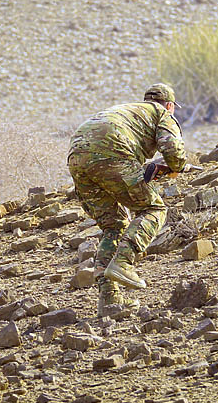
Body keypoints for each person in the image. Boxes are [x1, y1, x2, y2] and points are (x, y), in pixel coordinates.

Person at [67, 83, 187, 316]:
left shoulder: (130, 111)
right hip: (111, 149)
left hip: (77, 155)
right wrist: (177, 166)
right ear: (170, 105)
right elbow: (171, 147)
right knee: (153, 208)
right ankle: (124, 262)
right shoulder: (161, 113)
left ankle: (109, 301)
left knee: (114, 226)